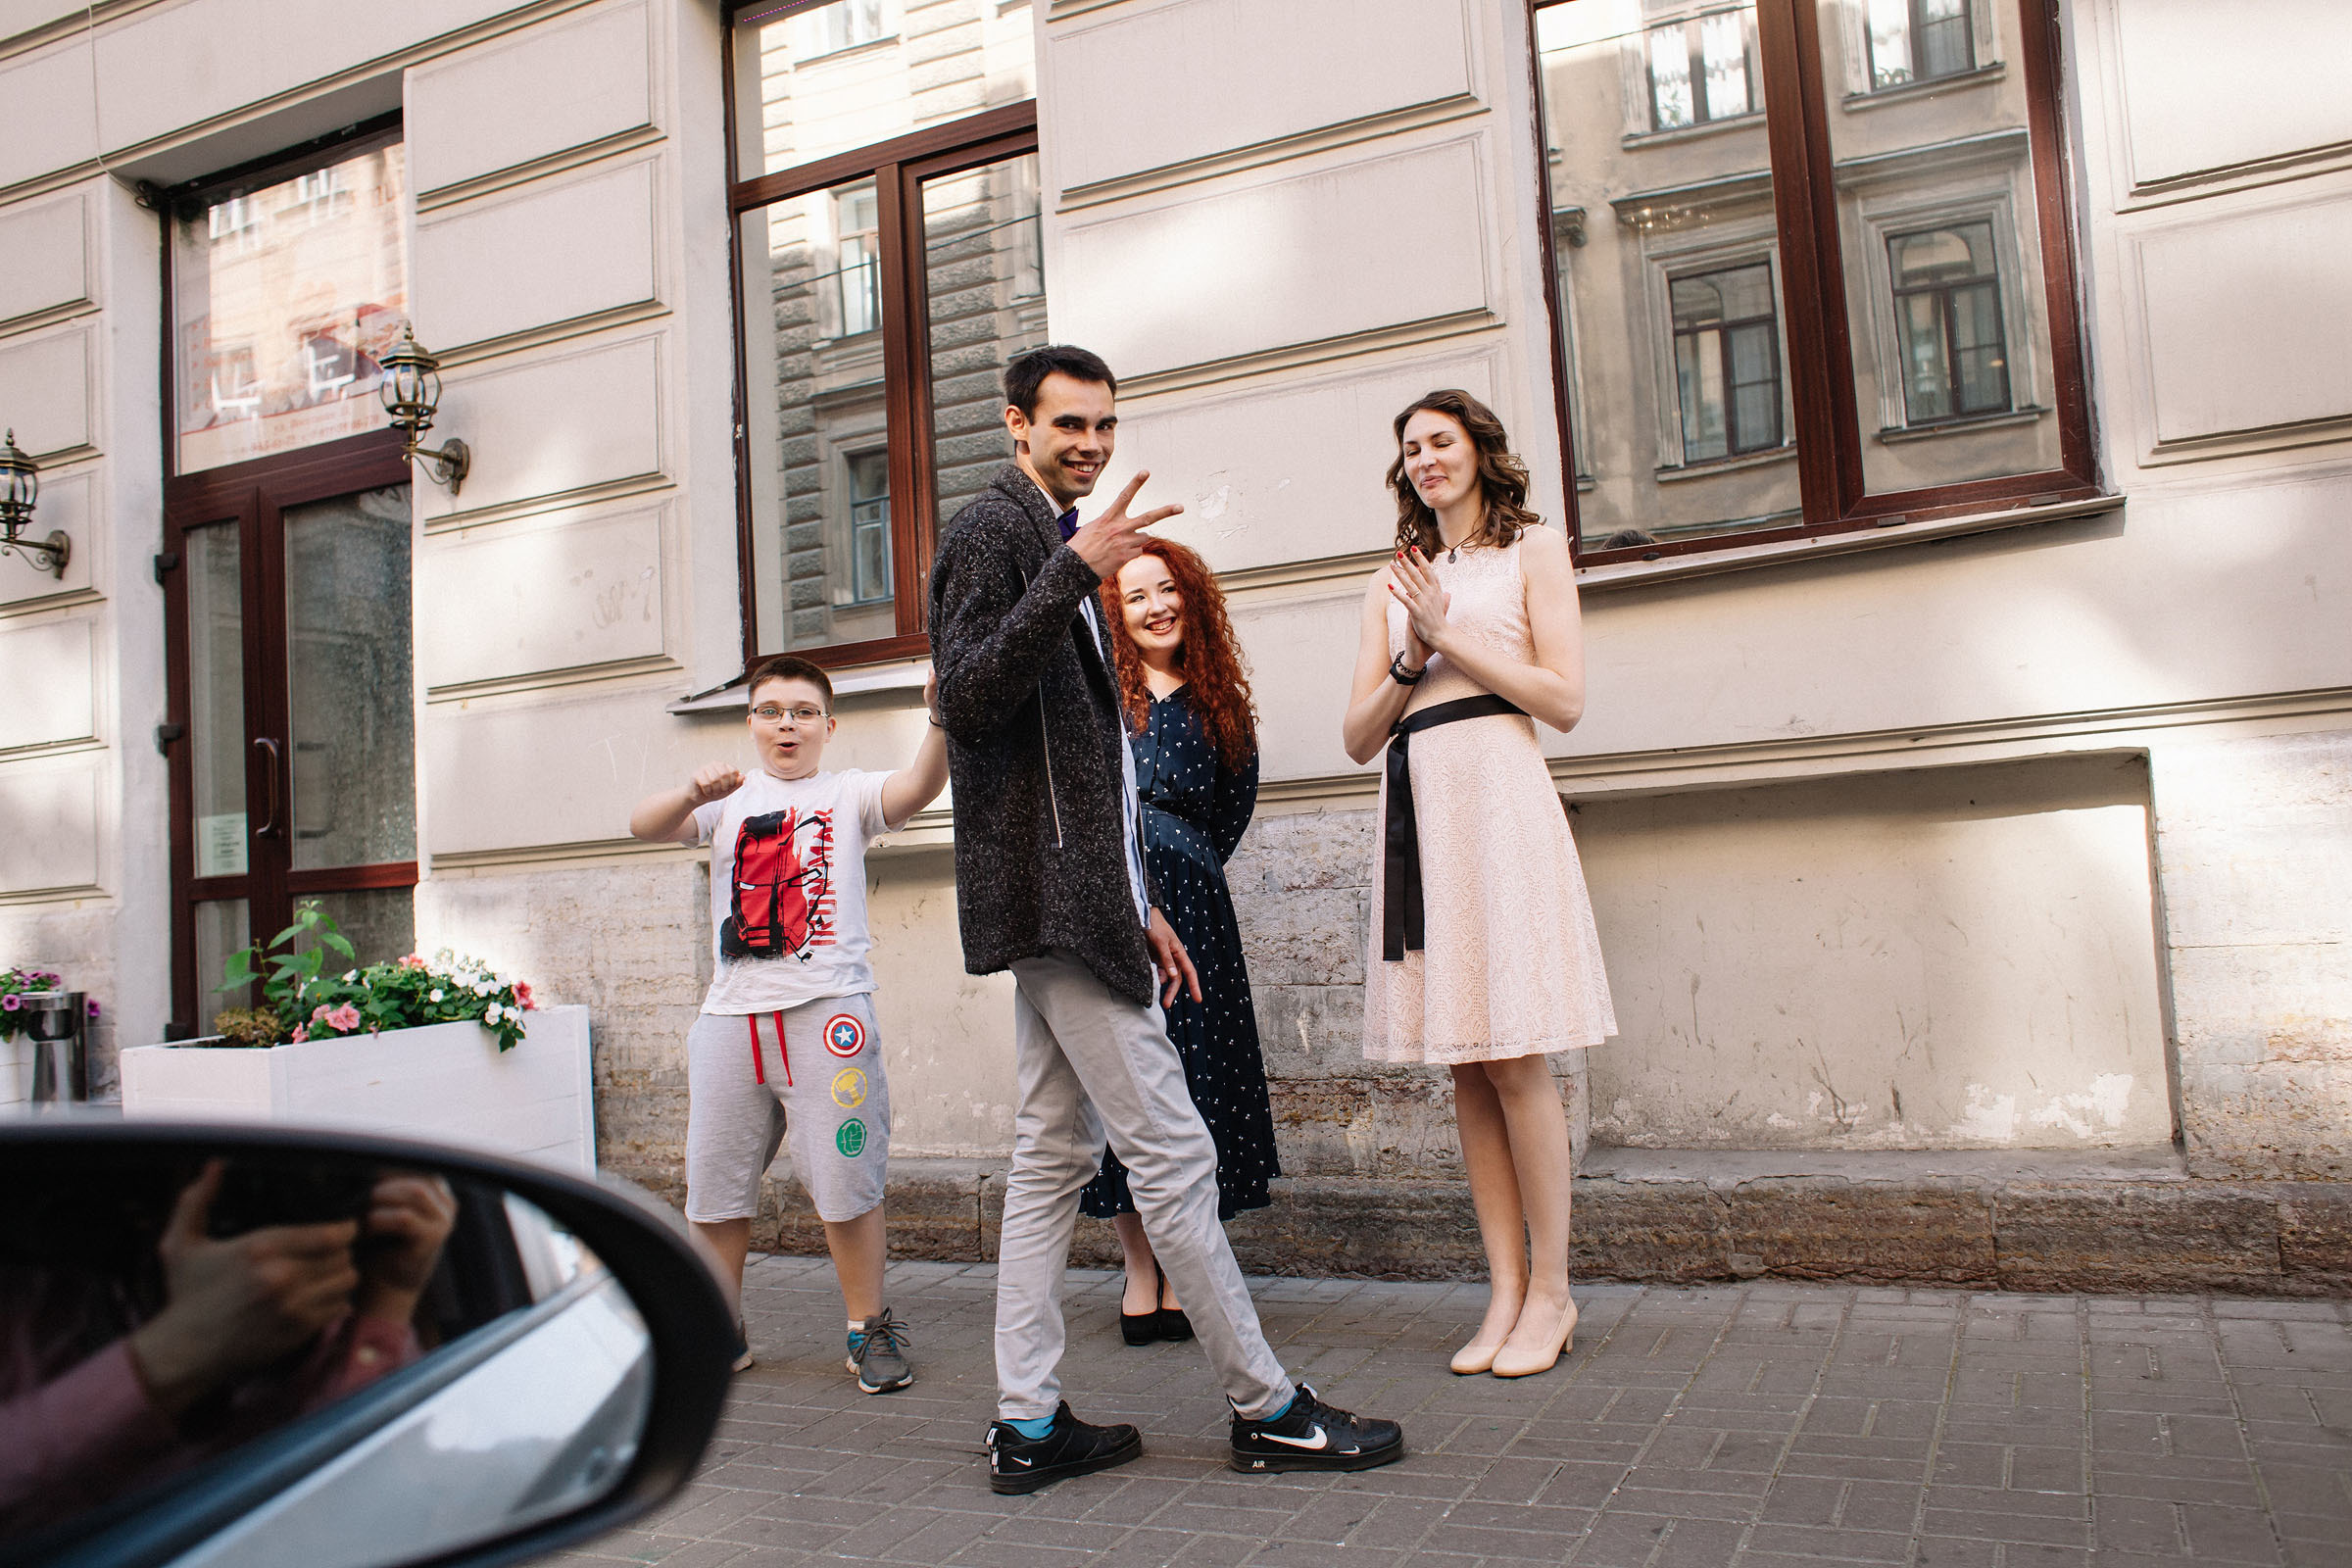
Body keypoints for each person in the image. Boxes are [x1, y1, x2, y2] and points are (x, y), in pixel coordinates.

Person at [929, 343, 1403, 1494]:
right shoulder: (997, 531)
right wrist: (1071, 572)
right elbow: (966, 696)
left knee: (1050, 1157)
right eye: (1069, 424)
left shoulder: (1055, 538)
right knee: (1174, 1154)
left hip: (1081, 897)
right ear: (1017, 423)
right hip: (1054, 899)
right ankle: (1267, 1408)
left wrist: (1135, 896)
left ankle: (1028, 1422)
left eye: (1104, 424)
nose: (1091, 444)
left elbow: (1098, 763)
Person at [1341, 388, 1617, 1380]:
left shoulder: (1534, 550)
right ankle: (1504, 1288)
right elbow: (1358, 735)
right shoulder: (1393, 581)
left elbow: (1565, 700)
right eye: (1411, 447)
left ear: (1479, 450)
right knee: (1466, 1061)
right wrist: (1411, 651)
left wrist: (1448, 635)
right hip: (1423, 810)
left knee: (1515, 1056)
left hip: (1500, 799)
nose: (1426, 459)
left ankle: (1554, 1291)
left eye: (1441, 441)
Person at [628, 654, 949, 1393]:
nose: (787, 725)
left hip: (828, 1015)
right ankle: (719, 1331)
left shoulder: (848, 793)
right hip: (729, 1021)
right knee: (714, 1185)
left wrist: (937, 717)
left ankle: (867, 1329)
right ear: (750, 723)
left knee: (846, 1177)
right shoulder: (726, 800)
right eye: (771, 711)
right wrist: (691, 791)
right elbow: (643, 826)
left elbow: (918, 786)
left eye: (803, 712)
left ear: (828, 726)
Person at [2, 1160, 453, 1538]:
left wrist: (390, 1294)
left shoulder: (346, 1328)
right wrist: (180, 1349)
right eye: (236, 1184)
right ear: (151, 1200)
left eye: (311, 1183)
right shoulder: (35, 1313)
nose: (267, 1210)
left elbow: (381, 1518)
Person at [1078, 538, 1280, 1346]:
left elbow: (1233, 808)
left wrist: (1181, 858)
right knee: (1124, 1081)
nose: (1157, 606)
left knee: (1196, 1082)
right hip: (1115, 905)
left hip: (1198, 909)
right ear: (1114, 615)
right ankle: (1140, 1270)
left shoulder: (1220, 703)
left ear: (1190, 598)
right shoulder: (1099, 694)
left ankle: (1187, 1269)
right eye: (1136, 596)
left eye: (1167, 590)